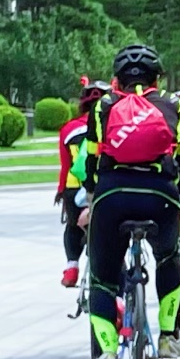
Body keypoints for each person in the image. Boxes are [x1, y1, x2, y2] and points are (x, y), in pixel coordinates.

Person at [80, 43, 180, 359]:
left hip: (112, 195)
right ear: (157, 77)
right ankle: (169, 335)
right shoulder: (176, 105)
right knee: (168, 257)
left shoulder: (103, 106)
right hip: (160, 195)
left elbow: (91, 162)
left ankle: (107, 353)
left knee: (102, 279)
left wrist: (93, 198)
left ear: (117, 79)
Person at [55, 75, 109, 294]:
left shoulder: (68, 129)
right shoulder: (112, 125)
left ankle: (71, 268)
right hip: (104, 184)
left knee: (72, 226)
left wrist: (61, 191)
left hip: (74, 186)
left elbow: (66, 164)